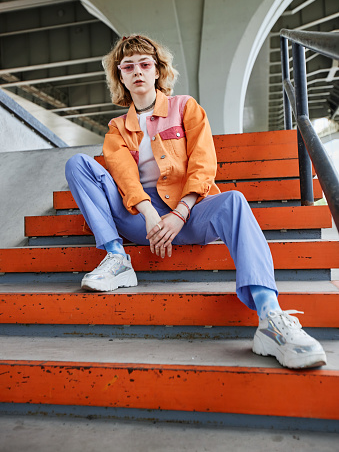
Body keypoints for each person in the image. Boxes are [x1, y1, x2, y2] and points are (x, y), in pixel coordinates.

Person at [65, 34, 327, 370]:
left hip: (188, 214)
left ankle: (270, 317)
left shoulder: (185, 107)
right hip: (139, 220)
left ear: (158, 71)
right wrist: (148, 214)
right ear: (120, 75)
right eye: (128, 66)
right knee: (77, 164)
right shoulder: (117, 128)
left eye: (145, 64)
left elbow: (203, 164)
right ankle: (117, 258)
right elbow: (125, 176)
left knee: (233, 201)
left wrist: (180, 212)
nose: (137, 71)